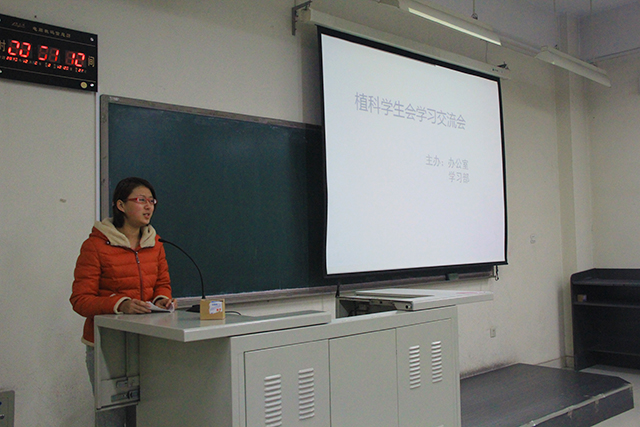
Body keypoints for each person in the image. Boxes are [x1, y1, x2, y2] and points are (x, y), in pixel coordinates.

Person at [70, 177, 173, 426]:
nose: (148, 206)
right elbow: (80, 300)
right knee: (111, 419)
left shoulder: (155, 244)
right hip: (107, 345)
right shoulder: (95, 246)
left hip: (148, 343)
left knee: (147, 416)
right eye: (141, 200)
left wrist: (162, 299)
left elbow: (162, 284)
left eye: (152, 201)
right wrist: (121, 304)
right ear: (120, 205)